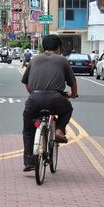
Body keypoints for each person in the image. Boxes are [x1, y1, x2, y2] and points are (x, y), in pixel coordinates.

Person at [21, 34, 78, 172]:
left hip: (34, 98)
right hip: (55, 98)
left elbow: (26, 83)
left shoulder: (34, 59)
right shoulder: (62, 60)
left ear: (43, 47)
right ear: (59, 47)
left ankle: (29, 161)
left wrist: (34, 94)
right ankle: (59, 130)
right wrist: (73, 95)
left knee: (28, 129)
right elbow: (73, 83)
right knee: (67, 109)